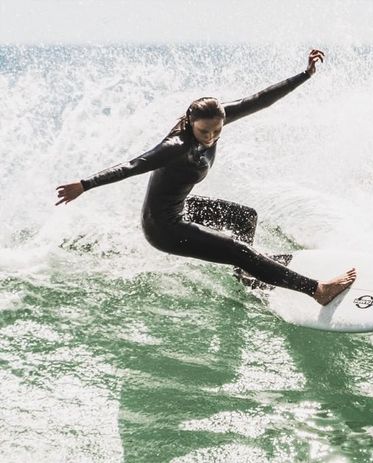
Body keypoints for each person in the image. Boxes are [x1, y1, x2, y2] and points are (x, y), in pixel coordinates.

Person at [55, 49, 356, 306]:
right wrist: (84, 185)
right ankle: (318, 290)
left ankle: (247, 274)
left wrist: (305, 74)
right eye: (203, 131)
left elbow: (261, 99)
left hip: (180, 208)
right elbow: (133, 165)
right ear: (190, 123)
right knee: (239, 250)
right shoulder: (176, 147)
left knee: (244, 219)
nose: (210, 137)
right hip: (164, 228)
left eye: (217, 130)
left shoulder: (215, 120)